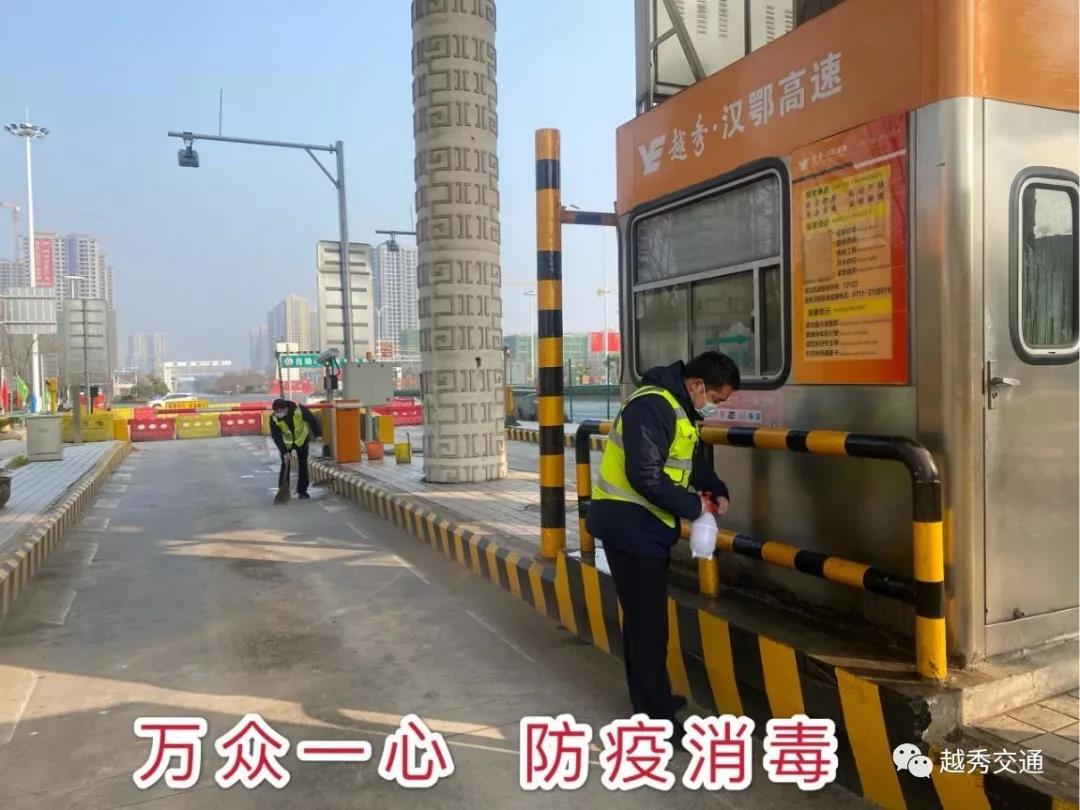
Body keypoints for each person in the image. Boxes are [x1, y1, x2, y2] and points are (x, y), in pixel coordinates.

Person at [586, 351, 740, 726]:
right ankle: (654, 718)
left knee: (644, 623)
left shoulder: (678, 407)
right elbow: (646, 476)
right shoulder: (652, 406)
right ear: (698, 385)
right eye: (717, 399)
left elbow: (690, 462)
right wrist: (695, 507)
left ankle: (653, 699)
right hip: (629, 527)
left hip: (644, 527)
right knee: (648, 627)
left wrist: (716, 488)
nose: (716, 407)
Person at [269, 398, 322, 499]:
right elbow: (276, 436)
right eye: (276, 412)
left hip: (301, 440)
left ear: (286, 409)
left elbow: (311, 419)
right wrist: (284, 452)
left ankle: (302, 491)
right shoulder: (274, 418)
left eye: (280, 411)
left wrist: (318, 434)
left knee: (302, 465)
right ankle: (283, 490)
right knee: (285, 465)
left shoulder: (299, 410)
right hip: (287, 443)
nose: (278, 413)